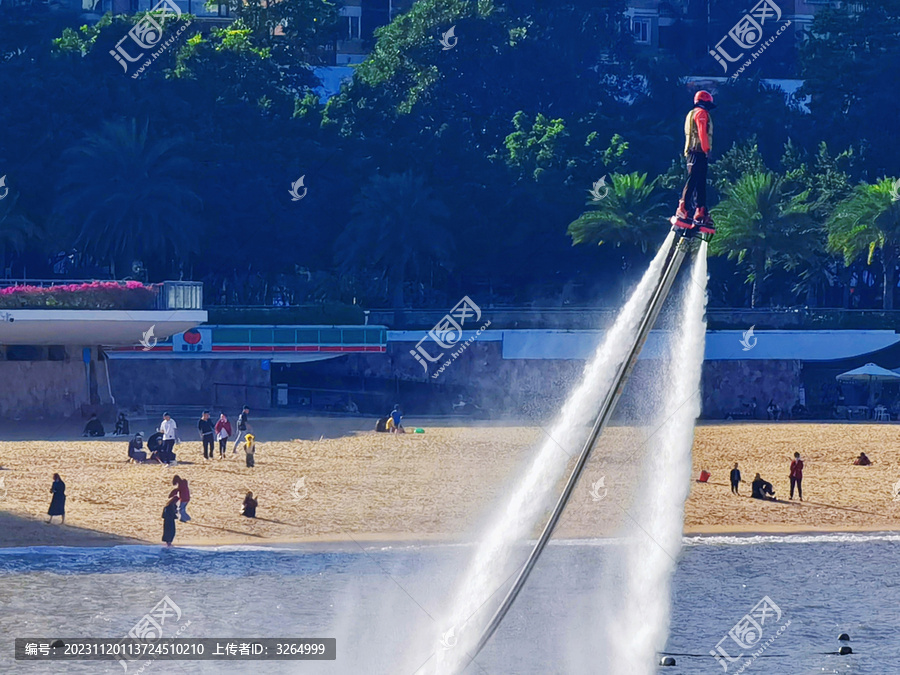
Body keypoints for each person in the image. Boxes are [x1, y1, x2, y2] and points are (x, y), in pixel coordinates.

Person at [672, 90, 716, 236]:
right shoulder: (701, 114)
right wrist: (706, 149)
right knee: (693, 180)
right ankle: (683, 208)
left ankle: (700, 210)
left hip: (695, 152)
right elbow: (702, 132)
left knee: (700, 182)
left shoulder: (692, 113)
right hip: (697, 152)